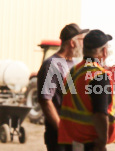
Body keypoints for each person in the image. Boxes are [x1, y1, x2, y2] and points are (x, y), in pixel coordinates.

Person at [58, 29, 115, 151]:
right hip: (91, 144)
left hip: (71, 142)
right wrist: (102, 142)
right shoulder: (98, 75)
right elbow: (100, 113)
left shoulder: (73, 72)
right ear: (104, 51)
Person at [37, 23, 89, 151]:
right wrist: (62, 130)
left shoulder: (72, 63)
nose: (84, 45)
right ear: (72, 43)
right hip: (59, 136)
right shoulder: (53, 64)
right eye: (82, 40)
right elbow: (45, 101)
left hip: (73, 132)